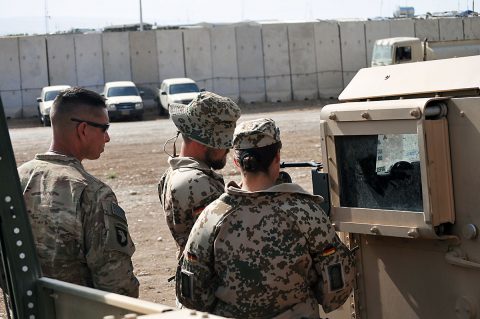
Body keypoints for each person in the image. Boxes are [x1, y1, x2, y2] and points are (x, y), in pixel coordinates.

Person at [178, 118, 356, 318]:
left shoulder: (211, 217)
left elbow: (192, 294)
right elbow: (336, 289)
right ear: (277, 157)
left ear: (237, 162)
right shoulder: (306, 212)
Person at [18, 87, 139, 297]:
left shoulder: (17, 179)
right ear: (83, 129)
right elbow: (116, 284)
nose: (107, 138)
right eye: (104, 128)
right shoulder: (92, 192)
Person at [158, 91, 241, 260]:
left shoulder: (174, 173)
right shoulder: (196, 183)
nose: (228, 149)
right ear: (205, 142)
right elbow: (230, 245)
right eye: (224, 142)